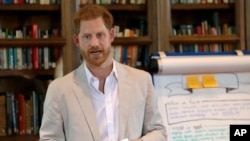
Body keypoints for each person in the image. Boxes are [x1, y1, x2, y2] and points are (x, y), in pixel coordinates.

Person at [39, 4, 167, 141]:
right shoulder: (58, 90)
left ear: (111, 35)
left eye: (100, 35)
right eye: (87, 37)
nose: (94, 43)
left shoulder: (142, 81)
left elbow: (159, 132)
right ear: (77, 40)